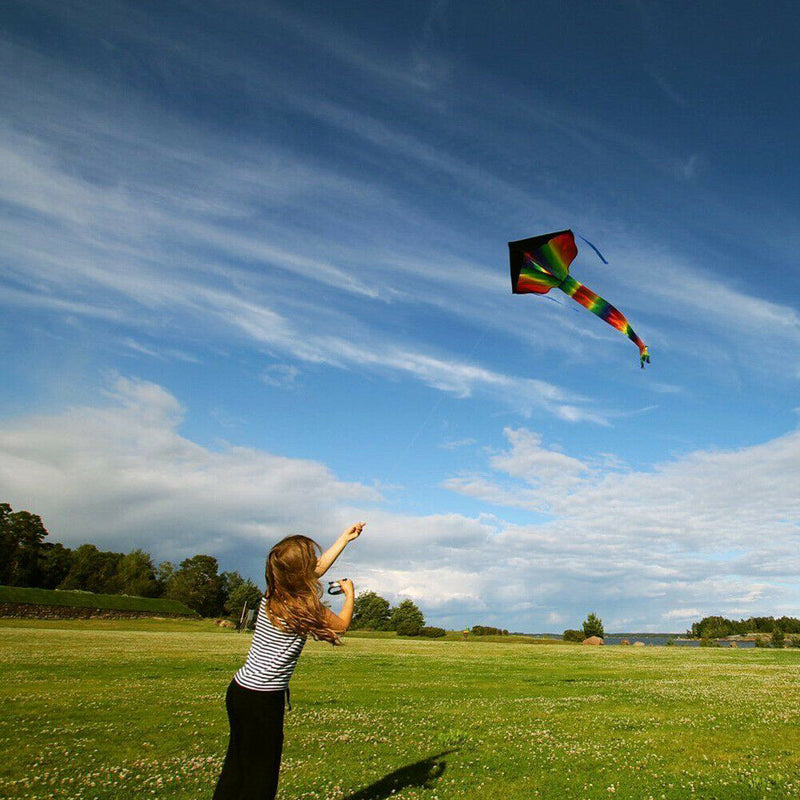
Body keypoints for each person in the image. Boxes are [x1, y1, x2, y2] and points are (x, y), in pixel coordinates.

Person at [212, 522, 365, 800]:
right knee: (262, 775)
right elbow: (340, 626)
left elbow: (316, 571)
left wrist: (344, 538)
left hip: (240, 691)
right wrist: (350, 594)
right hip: (263, 699)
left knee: (236, 766)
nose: (315, 566)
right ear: (300, 573)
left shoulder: (275, 592)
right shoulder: (303, 606)